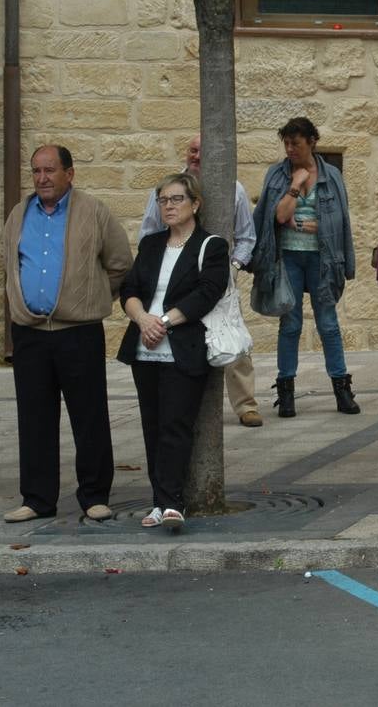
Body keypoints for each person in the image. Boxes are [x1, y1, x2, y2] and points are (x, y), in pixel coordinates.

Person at [2, 145, 132, 523]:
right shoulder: (18, 214)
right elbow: (10, 262)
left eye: (50, 171)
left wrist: (88, 298)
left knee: (89, 414)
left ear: (69, 174)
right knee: (34, 417)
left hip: (78, 332)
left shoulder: (93, 211)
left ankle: (94, 496)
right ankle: (38, 499)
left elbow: (120, 264)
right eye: (36, 171)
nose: (42, 178)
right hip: (29, 334)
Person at [118, 173, 230, 530]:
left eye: (176, 199)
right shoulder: (151, 244)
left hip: (182, 348)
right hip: (145, 348)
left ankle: (172, 503)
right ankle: (157, 502)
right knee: (152, 426)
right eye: (163, 200)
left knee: (176, 427)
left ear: (195, 204)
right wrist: (142, 320)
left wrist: (162, 322)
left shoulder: (211, 246)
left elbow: (206, 294)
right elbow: (129, 289)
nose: (168, 206)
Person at [140, 134, 262, 427]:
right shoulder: (168, 189)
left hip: (219, 278)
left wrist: (233, 265)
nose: (195, 157)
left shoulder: (234, 189)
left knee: (230, 335)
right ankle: (176, 403)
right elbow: (148, 233)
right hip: (176, 278)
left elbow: (247, 236)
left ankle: (245, 404)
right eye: (192, 151)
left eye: (201, 152)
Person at [249, 117, 358, 417]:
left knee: (328, 323)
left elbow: (342, 219)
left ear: (311, 141)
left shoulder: (331, 174)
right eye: (286, 143)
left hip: (323, 258)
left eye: (295, 143)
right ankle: (286, 392)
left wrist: (318, 226)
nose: (290, 149)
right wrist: (295, 186)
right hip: (288, 258)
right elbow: (278, 217)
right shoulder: (277, 174)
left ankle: (342, 388)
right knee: (291, 323)